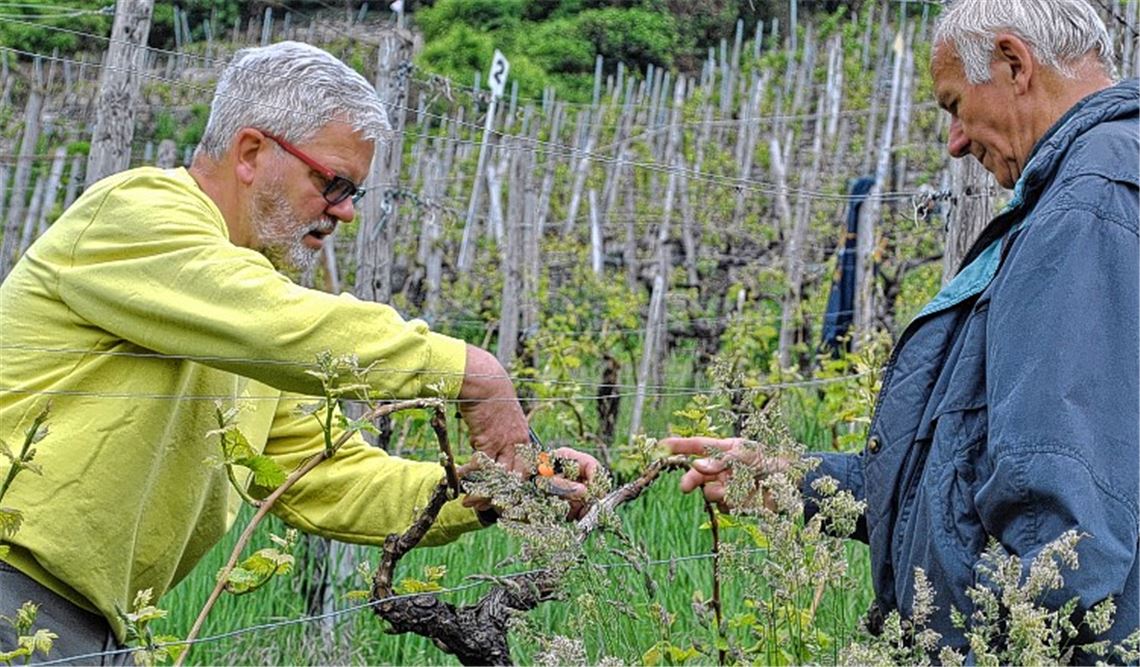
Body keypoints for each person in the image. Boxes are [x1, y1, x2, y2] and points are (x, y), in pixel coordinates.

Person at [0, 41, 596, 662]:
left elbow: (326, 476)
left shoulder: (244, 309)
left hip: (90, 626)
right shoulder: (137, 216)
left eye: (354, 193)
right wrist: (473, 374)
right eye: (332, 182)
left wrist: (484, 490)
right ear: (253, 152)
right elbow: (281, 327)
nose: (344, 212)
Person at [667, 0, 1138, 660]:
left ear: (1013, 62)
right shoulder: (1088, 187)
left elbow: (1065, 519)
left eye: (953, 105)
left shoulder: (1088, 203)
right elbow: (967, 476)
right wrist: (790, 479)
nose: (954, 141)